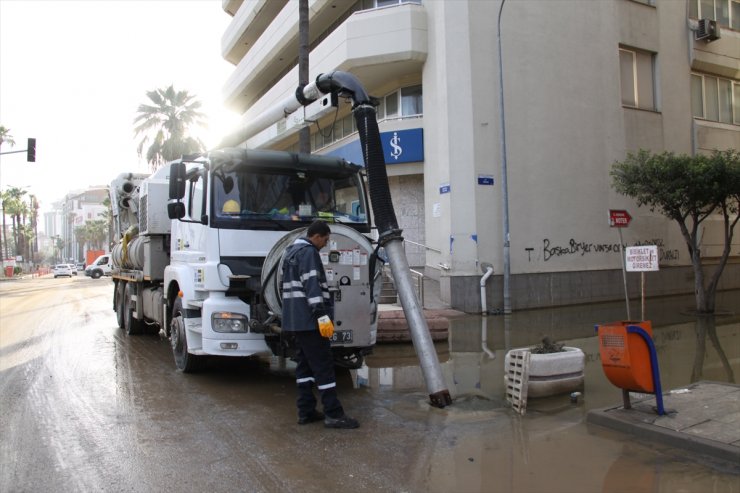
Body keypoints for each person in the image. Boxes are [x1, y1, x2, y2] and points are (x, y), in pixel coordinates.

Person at [281, 220, 359, 429]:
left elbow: (285, 287)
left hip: (295, 321)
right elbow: (312, 285)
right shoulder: (308, 253)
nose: (325, 244)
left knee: (305, 367)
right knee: (324, 366)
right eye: (325, 239)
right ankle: (333, 413)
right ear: (316, 236)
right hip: (310, 321)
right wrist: (321, 316)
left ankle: (305, 411)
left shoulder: (289, 253)